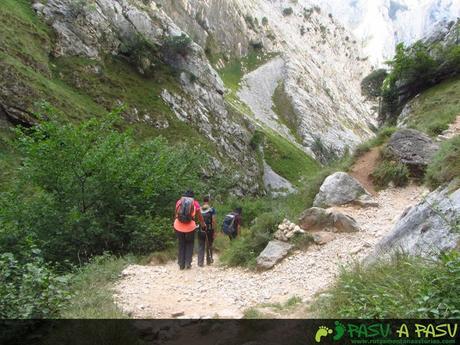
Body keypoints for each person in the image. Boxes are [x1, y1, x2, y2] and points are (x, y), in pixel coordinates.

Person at [174, 190, 206, 270]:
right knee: (190, 244)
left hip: (178, 225)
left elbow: (176, 214)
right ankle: (188, 263)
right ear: (192, 196)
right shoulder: (195, 203)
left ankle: (181, 264)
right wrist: (203, 224)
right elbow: (199, 216)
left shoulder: (179, 202)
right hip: (190, 227)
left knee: (181, 244)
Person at [197, 196, 216, 267]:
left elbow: (198, 219)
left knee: (201, 245)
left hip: (201, 229)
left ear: (203, 201)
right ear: (209, 201)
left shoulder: (199, 209)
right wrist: (214, 230)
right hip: (209, 230)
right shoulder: (212, 209)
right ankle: (209, 261)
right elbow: (213, 221)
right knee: (209, 245)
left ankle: (200, 262)